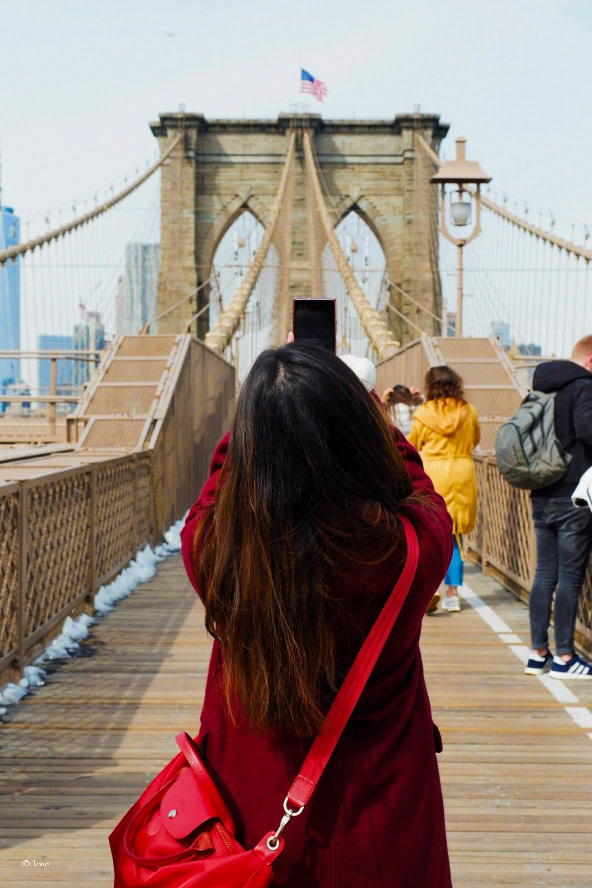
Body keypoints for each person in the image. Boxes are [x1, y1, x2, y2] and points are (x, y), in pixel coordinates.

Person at [181, 342, 454, 888]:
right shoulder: (410, 550)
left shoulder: (216, 550)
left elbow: (216, 485)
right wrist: (368, 414)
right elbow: (419, 487)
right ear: (361, 425)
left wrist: (265, 414)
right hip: (384, 821)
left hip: (251, 828)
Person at [524, 335, 592, 678]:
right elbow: (587, 428)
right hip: (573, 496)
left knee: (544, 574)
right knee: (569, 577)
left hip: (540, 492)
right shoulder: (584, 387)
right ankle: (565, 658)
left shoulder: (540, 387)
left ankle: (538, 654)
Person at [408, 366, 480, 613]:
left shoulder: (424, 413)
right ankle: (453, 594)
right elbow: (475, 439)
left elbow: (413, 443)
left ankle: (431, 591)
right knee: (456, 534)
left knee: (431, 532)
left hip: (434, 473)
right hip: (462, 473)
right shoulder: (468, 411)